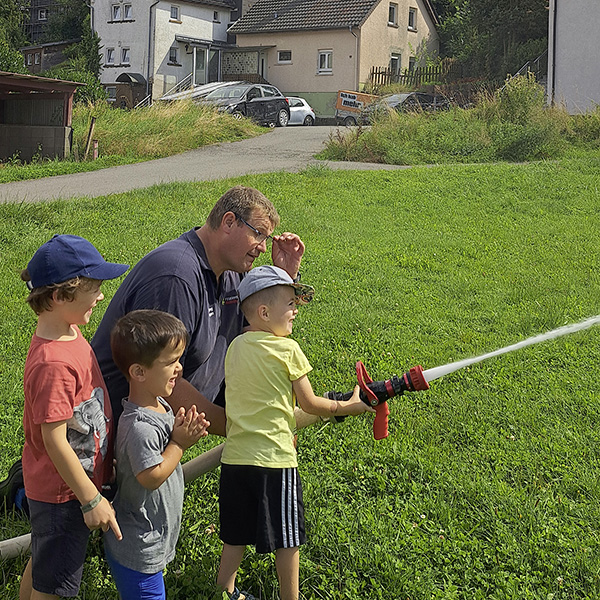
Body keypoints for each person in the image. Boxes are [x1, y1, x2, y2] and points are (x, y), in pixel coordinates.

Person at [91, 185, 305, 436]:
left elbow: (260, 334)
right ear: (228, 222)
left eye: (267, 239)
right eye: (258, 234)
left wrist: (284, 277)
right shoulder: (175, 277)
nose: (262, 247)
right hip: (115, 439)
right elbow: (159, 383)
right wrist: (241, 428)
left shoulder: (232, 273)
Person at [216, 265, 375, 600]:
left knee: (235, 534)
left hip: (235, 460)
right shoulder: (288, 350)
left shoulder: (235, 349)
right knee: (288, 538)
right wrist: (350, 405)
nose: (295, 312)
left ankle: (223, 591)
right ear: (264, 311)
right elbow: (312, 403)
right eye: (290, 304)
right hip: (276, 461)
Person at [18, 234, 128, 600]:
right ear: (58, 297)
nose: (100, 296)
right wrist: (90, 499)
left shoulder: (70, 332)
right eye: (92, 289)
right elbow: (53, 439)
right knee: (56, 584)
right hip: (63, 494)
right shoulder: (53, 364)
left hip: (72, 486)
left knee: (45, 563)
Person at [104, 309, 210, 600]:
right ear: (139, 372)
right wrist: (179, 444)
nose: (179, 369)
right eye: (171, 362)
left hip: (152, 538)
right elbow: (151, 477)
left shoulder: (160, 405)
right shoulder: (139, 427)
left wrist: (180, 430)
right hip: (138, 548)